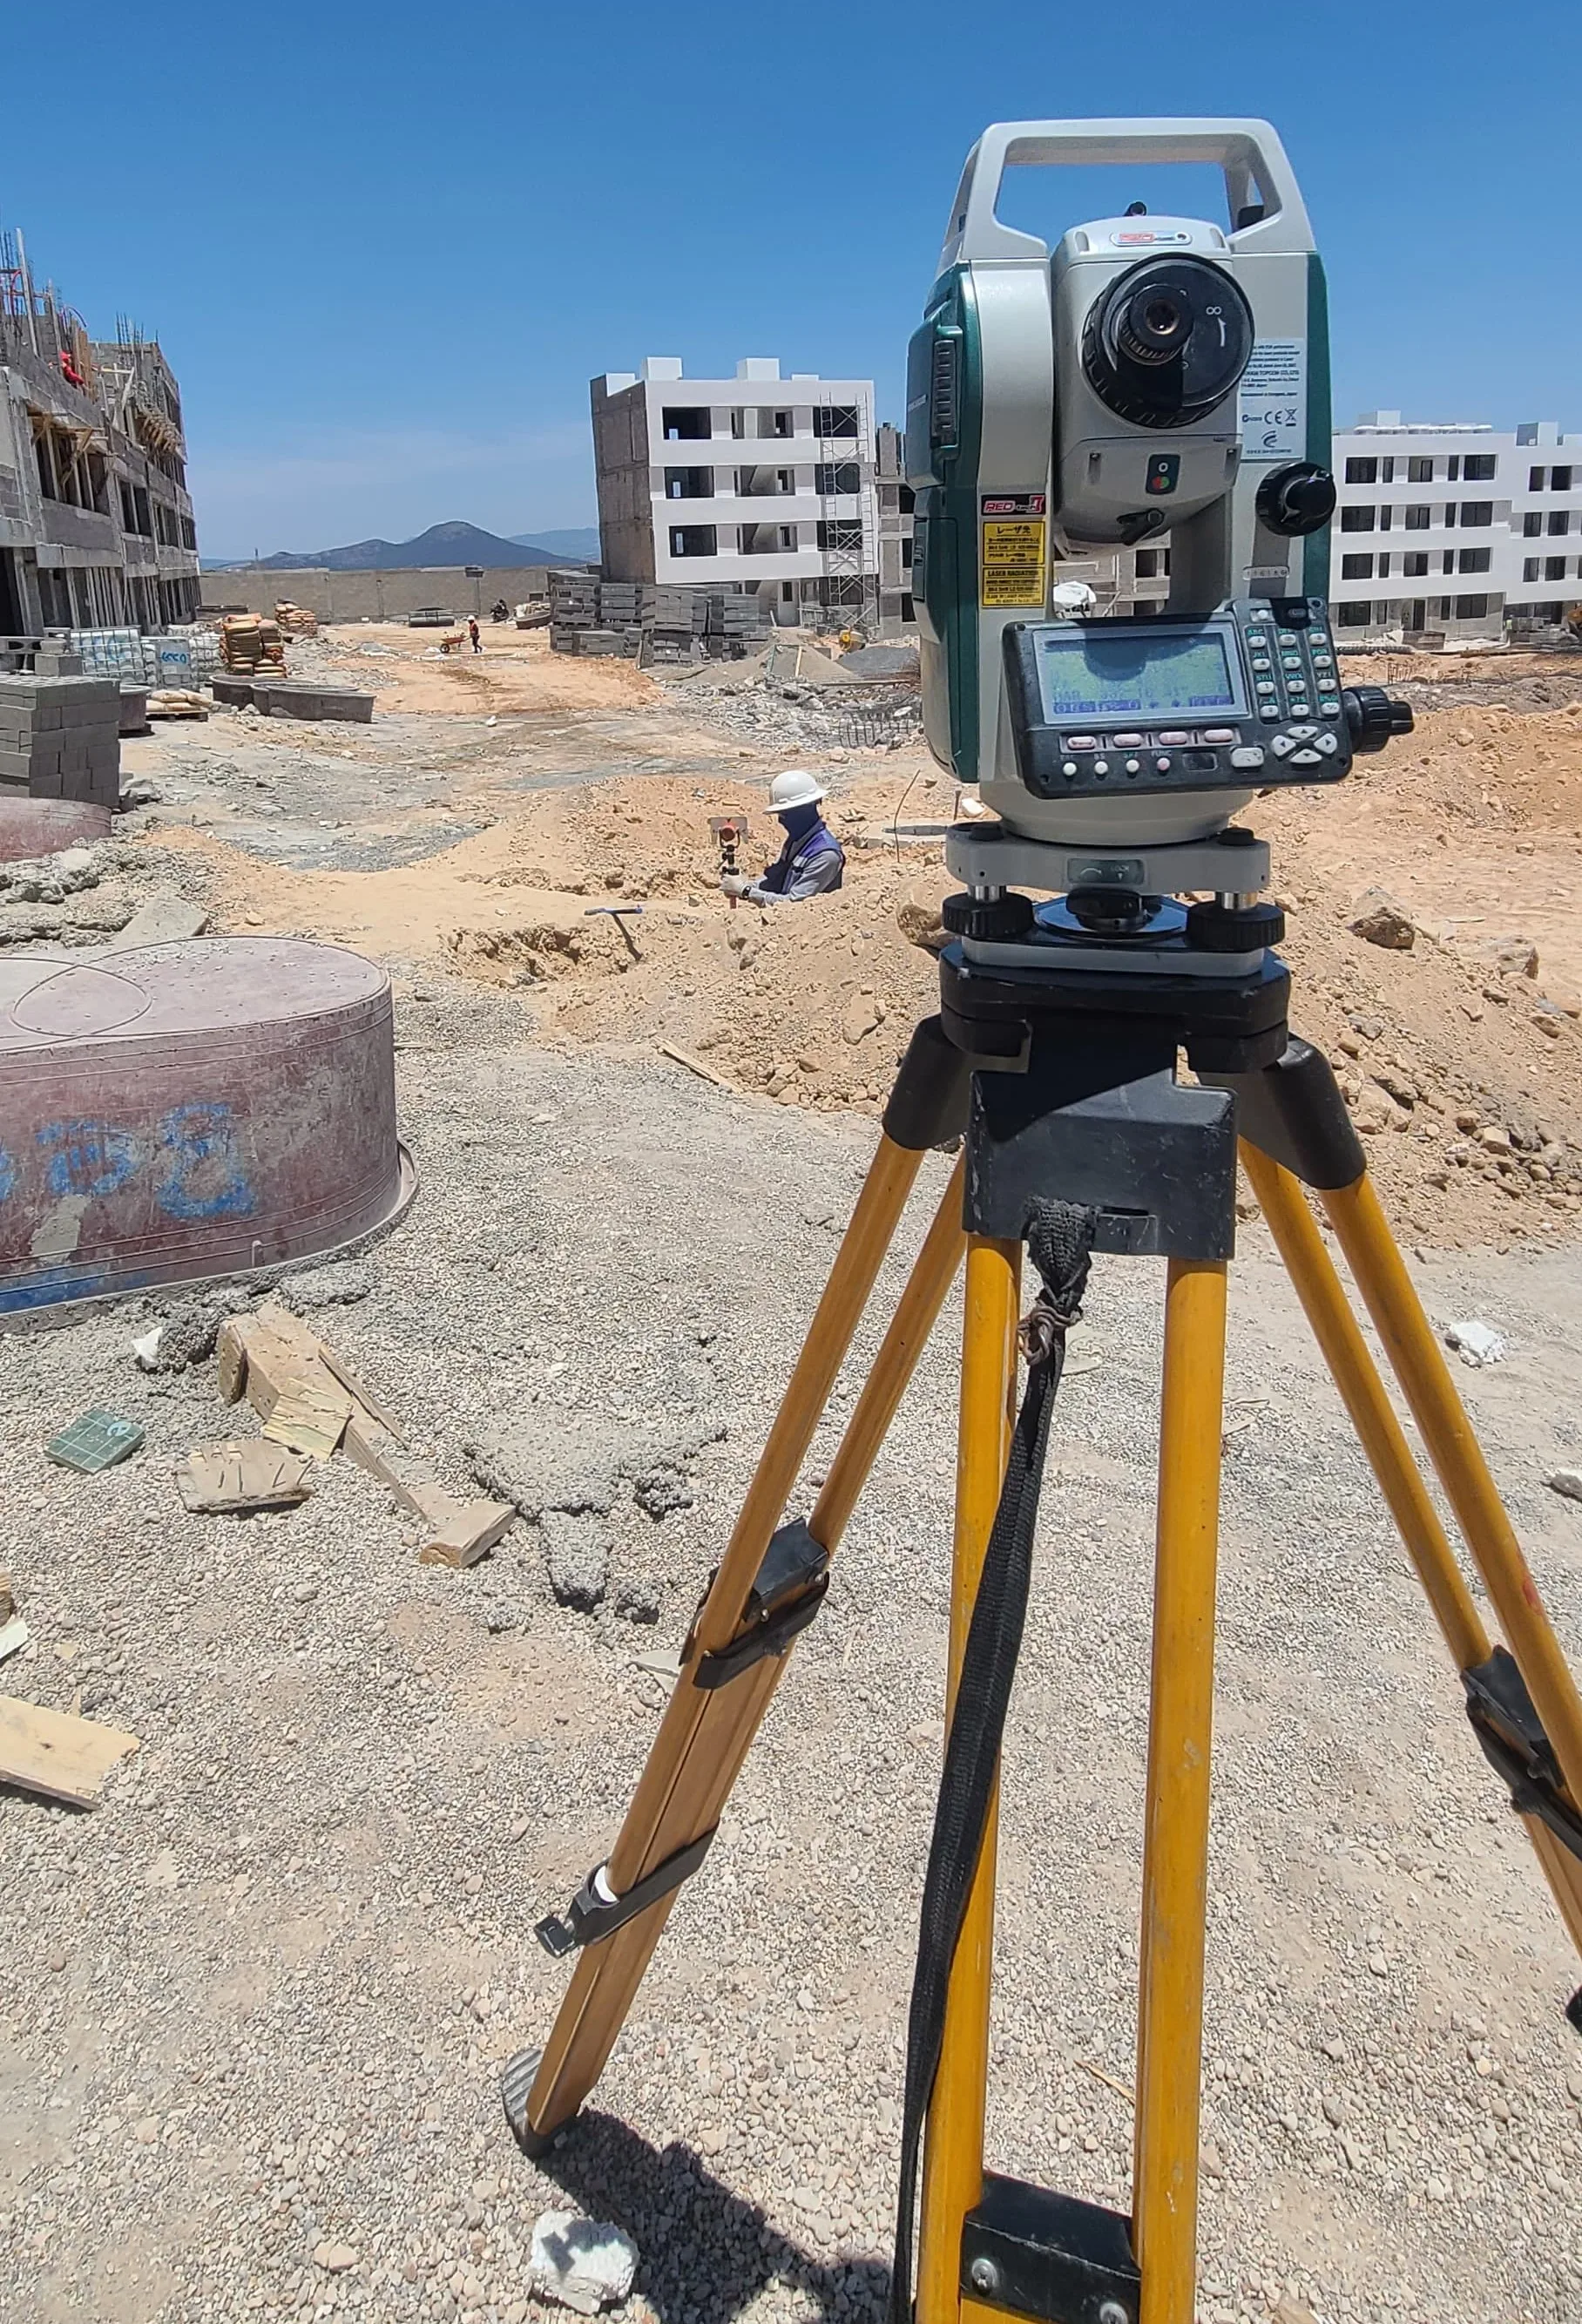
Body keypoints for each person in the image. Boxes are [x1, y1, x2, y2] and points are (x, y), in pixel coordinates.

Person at [721, 769, 844, 905]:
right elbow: (775, 879)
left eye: (784, 814)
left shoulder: (826, 856)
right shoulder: (796, 841)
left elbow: (794, 904)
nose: (780, 821)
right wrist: (744, 886)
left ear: (803, 812)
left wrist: (745, 891)